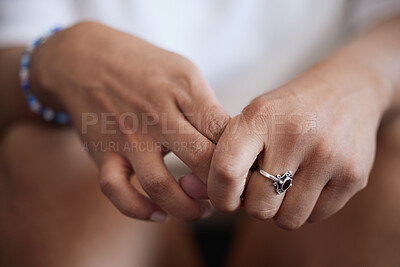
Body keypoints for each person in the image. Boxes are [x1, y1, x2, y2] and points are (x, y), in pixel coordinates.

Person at [1, 1, 400, 266]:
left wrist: (365, 79)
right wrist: (56, 58)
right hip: (104, 184)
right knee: (37, 158)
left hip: (322, 194)